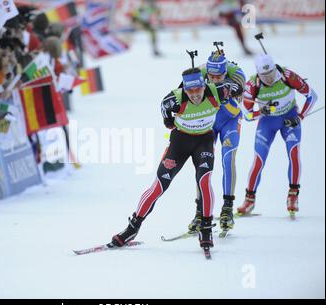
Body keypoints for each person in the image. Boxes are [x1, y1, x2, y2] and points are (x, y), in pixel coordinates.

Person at [110, 65, 243, 251]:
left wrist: (231, 83)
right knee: (158, 187)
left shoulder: (217, 91)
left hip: (204, 141)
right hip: (180, 143)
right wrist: (173, 122)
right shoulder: (173, 99)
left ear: (204, 86)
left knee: (204, 181)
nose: (195, 95)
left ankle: (206, 228)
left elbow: (238, 87)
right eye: (190, 91)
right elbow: (165, 116)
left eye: (198, 89)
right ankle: (132, 228)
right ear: (185, 89)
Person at [237, 54, 318, 217]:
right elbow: (246, 115)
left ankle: (293, 195)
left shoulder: (288, 76)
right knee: (259, 160)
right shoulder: (252, 84)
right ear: (258, 74)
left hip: (289, 121)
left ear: (275, 69)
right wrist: (262, 112)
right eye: (264, 76)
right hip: (268, 123)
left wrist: (300, 116)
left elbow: (312, 96)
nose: (268, 79)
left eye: (271, 74)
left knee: (294, 154)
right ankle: (249, 199)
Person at [187, 50, 246, 233]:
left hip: (230, 121)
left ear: (225, 72)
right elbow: (183, 94)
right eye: (210, 76)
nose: (214, 79)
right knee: (202, 164)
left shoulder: (237, 75)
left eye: (218, 76)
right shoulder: (201, 73)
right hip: (209, 124)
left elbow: (235, 107)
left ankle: (227, 207)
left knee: (228, 159)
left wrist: (218, 95)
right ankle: (200, 211)